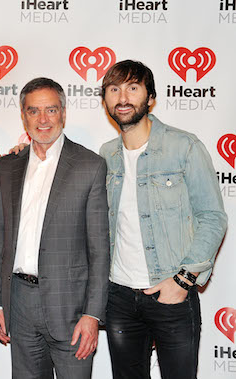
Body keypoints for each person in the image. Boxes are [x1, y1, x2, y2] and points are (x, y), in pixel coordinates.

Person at [99, 60, 227, 379]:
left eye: (133, 88)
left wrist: (183, 280)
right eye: (114, 89)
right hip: (119, 296)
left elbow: (213, 217)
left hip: (171, 292)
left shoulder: (184, 147)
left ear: (150, 97)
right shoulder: (105, 155)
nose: (123, 97)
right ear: (105, 101)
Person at [0, 77, 110, 379]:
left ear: (64, 114)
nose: (42, 120)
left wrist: (92, 314)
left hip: (72, 309)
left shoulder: (89, 166)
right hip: (19, 302)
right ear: (23, 115)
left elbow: (99, 249)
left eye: (51, 110)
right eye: (33, 111)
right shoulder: (6, 167)